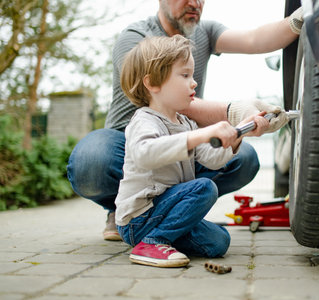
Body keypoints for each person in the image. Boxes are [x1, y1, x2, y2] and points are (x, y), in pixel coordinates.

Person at [67, 0, 304, 241]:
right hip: (131, 144)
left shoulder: (203, 32)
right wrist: (231, 111)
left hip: (182, 141)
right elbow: (169, 105)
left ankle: (174, 213)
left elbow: (255, 39)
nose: (194, 3)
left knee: (242, 162)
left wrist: (300, 19)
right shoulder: (136, 38)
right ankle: (125, 211)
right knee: (92, 157)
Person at [116, 34, 269, 267]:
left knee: (219, 241)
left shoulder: (185, 123)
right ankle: (152, 242)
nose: (194, 82)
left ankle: (161, 239)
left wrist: (240, 133)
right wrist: (202, 134)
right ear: (152, 83)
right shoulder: (144, 120)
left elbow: (212, 160)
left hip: (164, 212)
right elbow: (145, 154)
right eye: (185, 75)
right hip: (139, 217)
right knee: (205, 188)